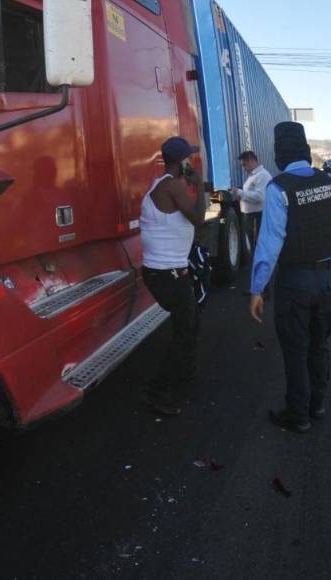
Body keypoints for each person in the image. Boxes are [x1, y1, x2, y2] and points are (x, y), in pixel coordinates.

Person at [250, 122, 331, 434]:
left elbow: (269, 244)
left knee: (295, 347)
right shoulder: (330, 182)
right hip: (328, 280)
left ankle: (298, 413)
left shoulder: (278, 188)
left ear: (280, 154)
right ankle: (318, 403)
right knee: (320, 344)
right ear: (306, 150)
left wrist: (257, 289)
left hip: (296, 281)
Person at [139, 136, 208, 416]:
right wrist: (199, 186)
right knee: (184, 330)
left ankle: (185, 374)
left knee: (191, 323)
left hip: (168, 271)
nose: (191, 161)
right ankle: (156, 391)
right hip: (165, 274)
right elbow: (199, 218)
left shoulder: (163, 184)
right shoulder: (172, 186)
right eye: (188, 157)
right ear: (181, 162)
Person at [231, 151, 272, 255]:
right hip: (251, 216)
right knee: (253, 247)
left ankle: (260, 269)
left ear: (252, 161)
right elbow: (251, 194)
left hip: (257, 216)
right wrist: (241, 197)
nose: (243, 168)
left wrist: (239, 192)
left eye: (244, 165)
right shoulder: (253, 175)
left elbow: (260, 197)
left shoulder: (262, 175)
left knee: (258, 248)